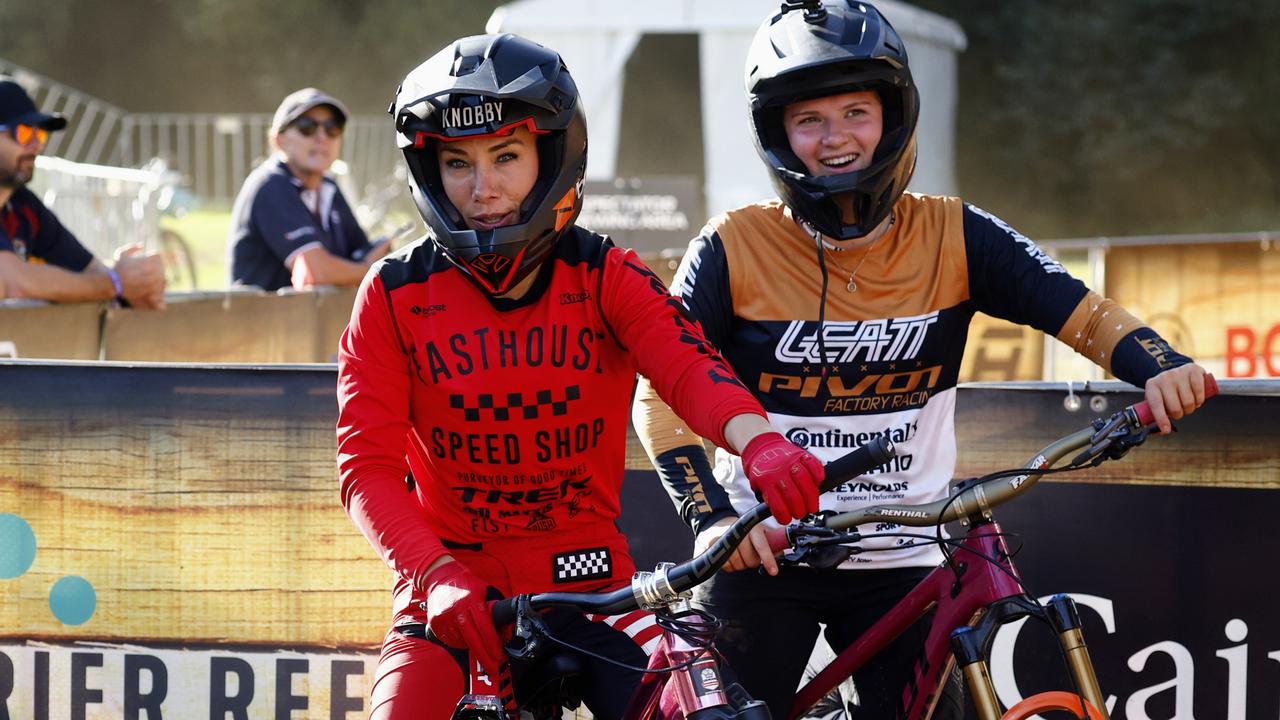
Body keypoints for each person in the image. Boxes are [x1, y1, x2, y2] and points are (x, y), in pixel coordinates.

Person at [631, 1, 1211, 718]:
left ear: (894, 116)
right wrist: (712, 520)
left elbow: (1080, 311)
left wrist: (1161, 364)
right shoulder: (731, 244)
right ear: (777, 132)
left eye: (856, 112)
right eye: (809, 119)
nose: (835, 138)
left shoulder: (954, 233)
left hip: (907, 561)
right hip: (765, 553)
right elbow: (660, 392)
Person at [335, 33, 824, 719]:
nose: (483, 189)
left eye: (506, 156)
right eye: (457, 163)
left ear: (553, 155)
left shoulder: (607, 273)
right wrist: (435, 574)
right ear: (429, 171)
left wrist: (760, 441)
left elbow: (688, 368)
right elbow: (366, 468)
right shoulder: (391, 294)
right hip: (450, 599)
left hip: (597, 591)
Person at [0, 76, 165, 308]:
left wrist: (138, 280)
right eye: (24, 133)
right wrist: (115, 284)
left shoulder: (23, 205)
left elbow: (89, 270)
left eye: (40, 134)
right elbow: (12, 281)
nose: (36, 145)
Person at [227, 87, 390, 291]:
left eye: (333, 127)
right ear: (279, 140)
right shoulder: (270, 184)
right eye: (307, 126)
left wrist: (378, 255)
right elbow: (313, 270)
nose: (322, 137)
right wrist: (373, 271)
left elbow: (359, 252)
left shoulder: (329, 187)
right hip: (259, 320)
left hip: (306, 320)